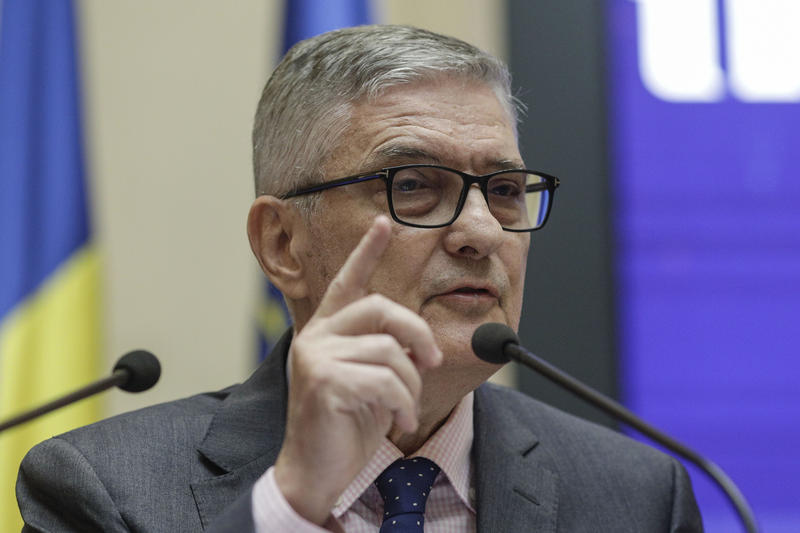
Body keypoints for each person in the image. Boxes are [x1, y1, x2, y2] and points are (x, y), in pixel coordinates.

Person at [16, 25, 702, 532]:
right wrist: (289, 506)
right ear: (283, 244)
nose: (482, 231)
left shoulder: (637, 495)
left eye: (503, 190)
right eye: (413, 185)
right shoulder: (100, 487)